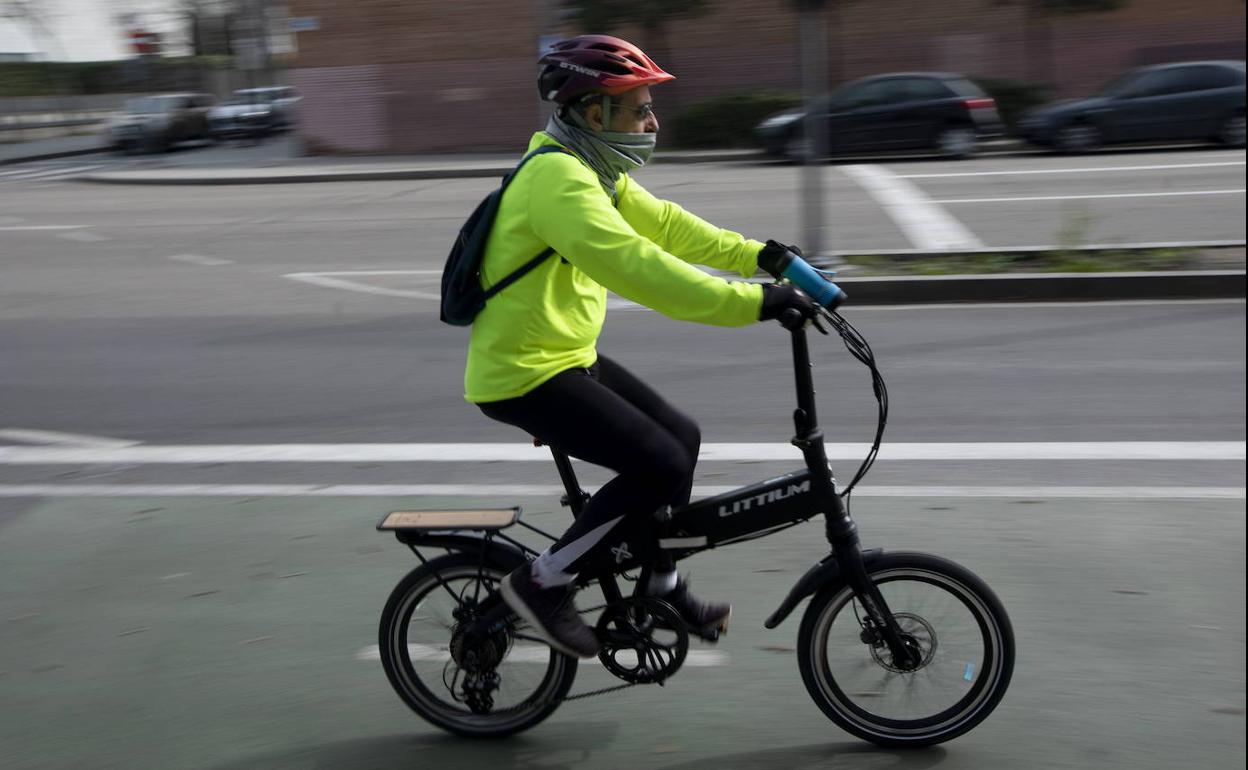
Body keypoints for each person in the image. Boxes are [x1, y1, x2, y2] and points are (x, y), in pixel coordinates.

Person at [465, 34, 816, 658]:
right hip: (522, 373)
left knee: (683, 437)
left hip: (564, 356)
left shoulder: (593, 170)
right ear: (593, 112)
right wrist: (756, 302)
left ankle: (661, 584)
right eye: (639, 109)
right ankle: (543, 583)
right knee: (658, 464)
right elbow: (642, 269)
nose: (652, 121)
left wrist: (763, 256)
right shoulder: (558, 180)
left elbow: (671, 228)